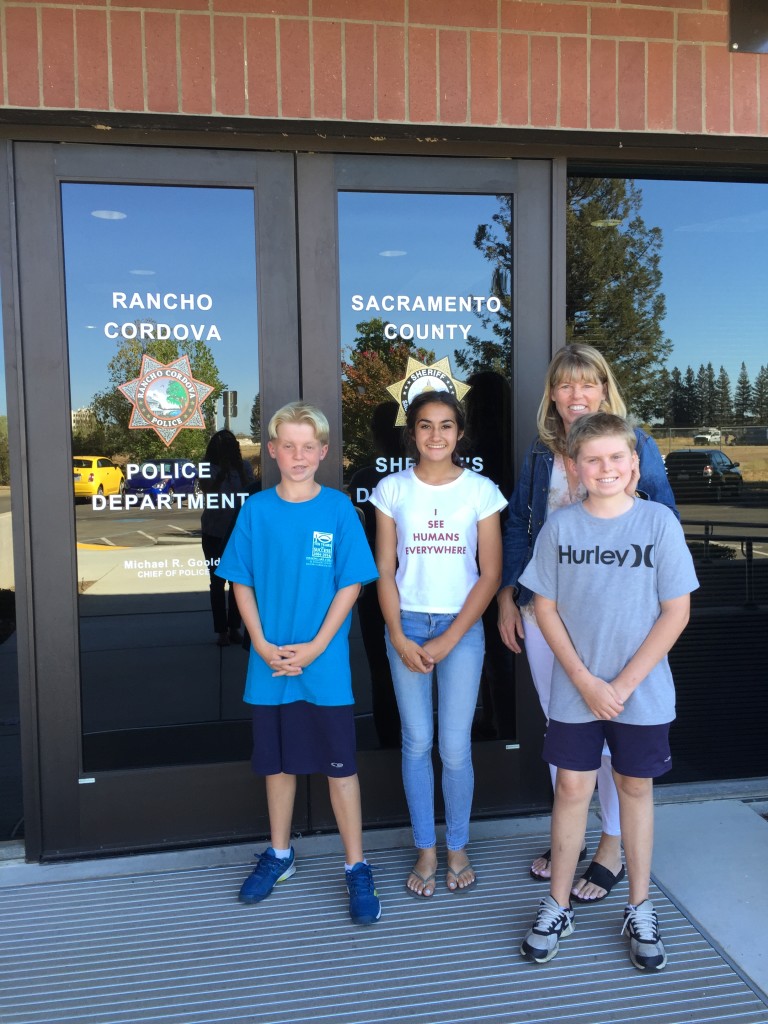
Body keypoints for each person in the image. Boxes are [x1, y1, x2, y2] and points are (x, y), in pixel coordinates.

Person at [498, 343, 678, 903]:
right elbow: (520, 529)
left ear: (605, 389)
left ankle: (611, 846)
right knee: (567, 733)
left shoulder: (635, 444)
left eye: (589, 384)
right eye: (566, 385)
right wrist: (510, 596)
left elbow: (664, 521)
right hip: (548, 613)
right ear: (552, 393)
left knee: (614, 739)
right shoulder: (539, 453)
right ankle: (569, 839)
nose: (577, 395)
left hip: (619, 620)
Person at [518, 412, 697, 969]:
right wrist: (583, 680)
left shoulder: (658, 524)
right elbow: (542, 606)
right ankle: (557, 904)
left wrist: (619, 684)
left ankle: (640, 905)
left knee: (633, 788)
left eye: (616, 457)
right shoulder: (561, 528)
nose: (605, 468)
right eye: (592, 459)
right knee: (572, 789)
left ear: (635, 464)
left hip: (639, 691)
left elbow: (676, 611)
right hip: (578, 688)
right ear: (573, 467)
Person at [216, 401, 382, 926]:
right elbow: (239, 580)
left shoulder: (337, 510)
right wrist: (261, 644)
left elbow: (351, 584)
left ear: (324, 451)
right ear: (271, 450)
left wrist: (314, 648)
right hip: (269, 662)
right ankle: (280, 854)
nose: (298, 455)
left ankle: (356, 865)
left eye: (308, 446)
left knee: (341, 769)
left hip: (323, 664)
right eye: (287, 445)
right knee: (279, 766)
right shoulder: (256, 510)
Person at [370, 391, 506, 897]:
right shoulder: (392, 490)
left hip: (461, 626)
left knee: (453, 747)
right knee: (416, 742)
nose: (435, 436)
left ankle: (458, 846)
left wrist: (451, 636)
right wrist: (399, 635)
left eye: (446, 426)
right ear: (412, 433)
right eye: (425, 426)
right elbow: (384, 570)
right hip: (405, 621)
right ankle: (427, 848)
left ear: (460, 433)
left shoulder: (481, 491)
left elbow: (490, 574)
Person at [199, 430, 255, 646]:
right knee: (216, 581)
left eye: (232, 446)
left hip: (238, 531)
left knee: (238, 582)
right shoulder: (208, 467)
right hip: (213, 530)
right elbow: (206, 489)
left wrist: (239, 470)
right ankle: (221, 631)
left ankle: (234, 627)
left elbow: (250, 491)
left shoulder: (245, 467)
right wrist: (221, 473)